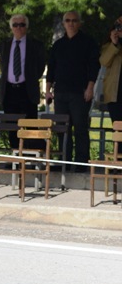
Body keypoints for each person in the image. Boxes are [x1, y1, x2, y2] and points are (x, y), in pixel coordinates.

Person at [45, 11, 99, 170]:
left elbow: (94, 67)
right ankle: (64, 162)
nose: (71, 23)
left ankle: (81, 163)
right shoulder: (58, 44)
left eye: (74, 20)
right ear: (63, 23)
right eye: (67, 20)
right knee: (62, 128)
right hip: (60, 92)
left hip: (80, 92)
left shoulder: (88, 42)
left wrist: (90, 88)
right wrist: (48, 90)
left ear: (79, 23)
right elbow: (51, 68)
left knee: (80, 127)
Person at [0, 13, 46, 147]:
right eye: (15, 25)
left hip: (27, 90)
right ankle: (15, 156)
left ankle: (31, 156)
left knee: (30, 126)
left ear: (27, 27)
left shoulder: (36, 45)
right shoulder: (4, 45)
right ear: (11, 27)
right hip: (9, 91)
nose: (18, 27)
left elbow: (40, 67)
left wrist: (29, 79)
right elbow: (3, 66)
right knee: (12, 128)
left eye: (22, 25)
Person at [99, 15, 122, 123]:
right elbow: (104, 62)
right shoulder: (108, 46)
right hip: (115, 94)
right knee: (117, 127)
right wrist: (114, 43)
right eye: (118, 25)